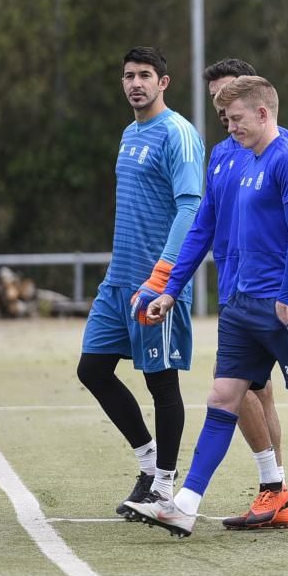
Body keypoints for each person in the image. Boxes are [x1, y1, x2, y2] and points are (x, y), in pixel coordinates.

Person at [126, 76, 288, 540]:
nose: (230, 128)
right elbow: (203, 229)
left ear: (263, 114)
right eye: (225, 120)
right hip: (239, 306)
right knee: (223, 398)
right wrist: (171, 288)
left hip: (281, 308)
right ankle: (185, 506)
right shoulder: (237, 160)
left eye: (236, 119)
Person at [150, 58, 288, 530]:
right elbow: (204, 226)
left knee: (274, 395)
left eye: (230, 98)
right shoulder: (221, 154)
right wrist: (172, 286)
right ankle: (273, 492)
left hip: (272, 297)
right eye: (217, 103)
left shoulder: (281, 150)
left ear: (257, 100)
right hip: (235, 292)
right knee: (246, 391)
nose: (223, 109)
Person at [77, 46, 203, 516]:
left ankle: (164, 488)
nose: (135, 83)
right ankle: (149, 464)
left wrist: (164, 276)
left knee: (161, 384)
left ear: (163, 82)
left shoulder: (179, 134)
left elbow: (191, 208)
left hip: (159, 283)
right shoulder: (130, 133)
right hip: (119, 282)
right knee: (92, 369)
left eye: (145, 75)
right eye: (129, 75)